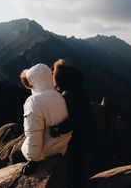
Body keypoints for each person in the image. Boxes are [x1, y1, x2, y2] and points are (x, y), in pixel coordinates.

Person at [19, 63, 72, 175]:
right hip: (61, 149)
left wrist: (33, 159)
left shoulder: (33, 101)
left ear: (32, 82)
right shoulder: (59, 96)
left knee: (20, 148)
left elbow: (34, 134)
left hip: (46, 153)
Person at [51, 59, 92, 188]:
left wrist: (59, 129)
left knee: (76, 168)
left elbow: (74, 119)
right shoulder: (77, 88)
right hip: (85, 133)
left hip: (79, 137)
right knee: (80, 166)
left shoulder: (69, 94)